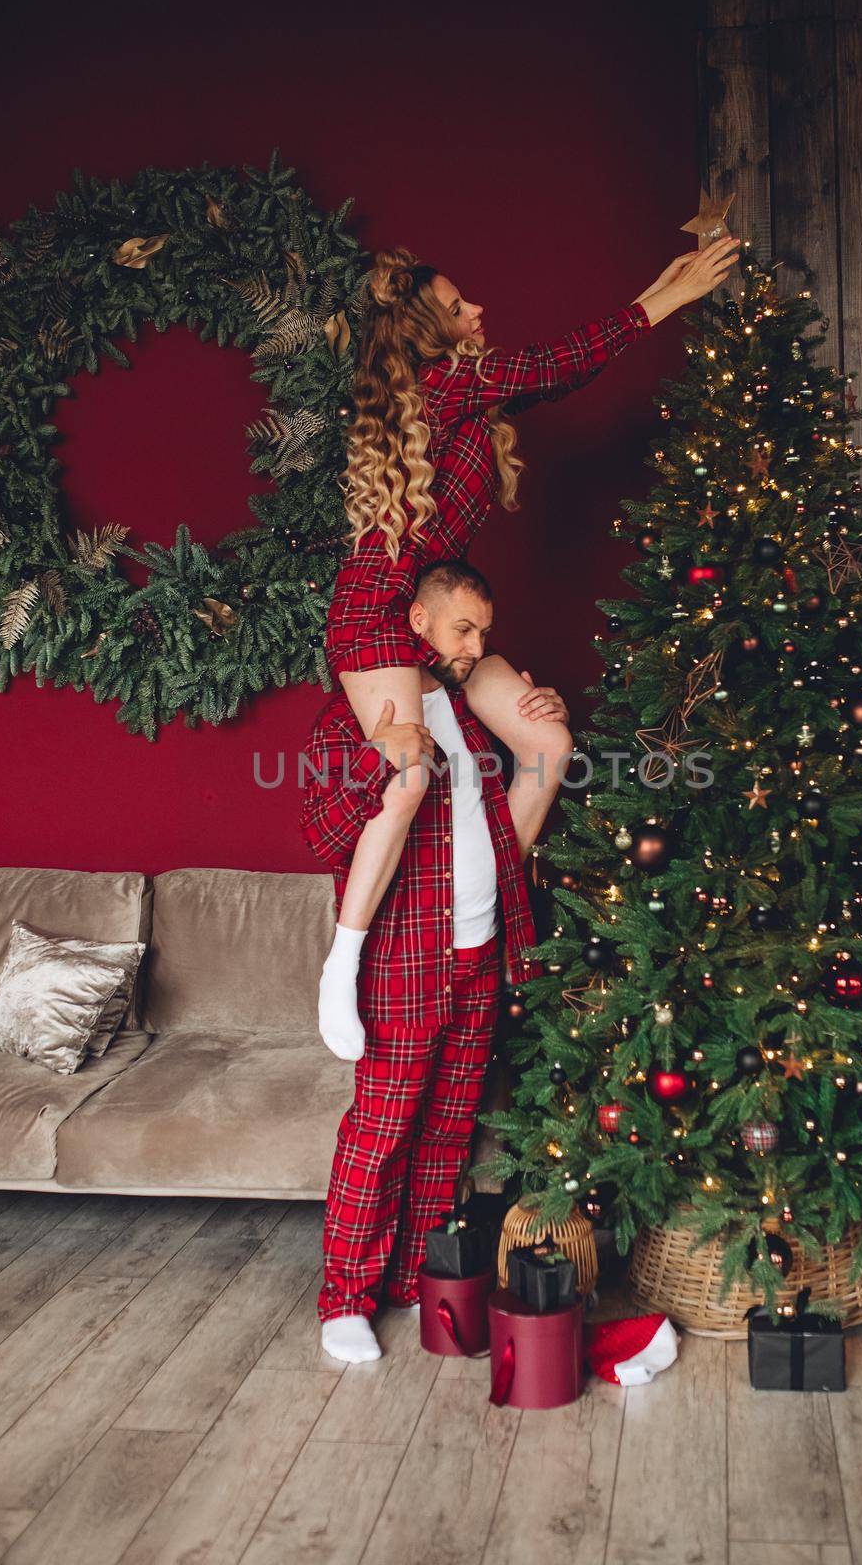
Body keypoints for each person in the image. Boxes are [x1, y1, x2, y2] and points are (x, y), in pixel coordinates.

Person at [318, 236, 742, 1053]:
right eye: (456, 306)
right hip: (375, 613)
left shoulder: (465, 396)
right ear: (428, 333)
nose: (476, 311)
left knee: (545, 738)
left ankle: (487, 896)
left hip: (435, 617)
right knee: (406, 779)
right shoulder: (452, 383)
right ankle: (343, 968)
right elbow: (561, 362)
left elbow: (561, 365)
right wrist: (670, 301)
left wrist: (662, 282)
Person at [301, 557, 569, 1363]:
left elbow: (527, 776)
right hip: (404, 958)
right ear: (417, 622)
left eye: (484, 631)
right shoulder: (358, 708)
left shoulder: (465, 706)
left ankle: (416, 1277)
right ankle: (344, 1298)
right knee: (382, 1131)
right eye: (463, 628)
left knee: (449, 1132)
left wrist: (543, 711)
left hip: (480, 951)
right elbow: (324, 832)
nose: (476, 644)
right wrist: (379, 754)